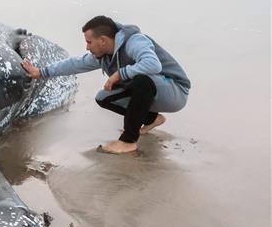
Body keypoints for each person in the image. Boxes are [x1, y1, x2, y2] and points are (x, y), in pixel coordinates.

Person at [22, 16, 191, 154]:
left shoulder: (134, 41)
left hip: (174, 90)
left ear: (102, 40)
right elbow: (75, 64)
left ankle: (128, 141)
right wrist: (41, 72)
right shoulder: (104, 55)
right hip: (152, 92)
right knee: (103, 98)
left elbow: (153, 65)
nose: (87, 47)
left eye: (89, 42)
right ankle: (152, 118)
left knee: (141, 80)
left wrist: (119, 73)